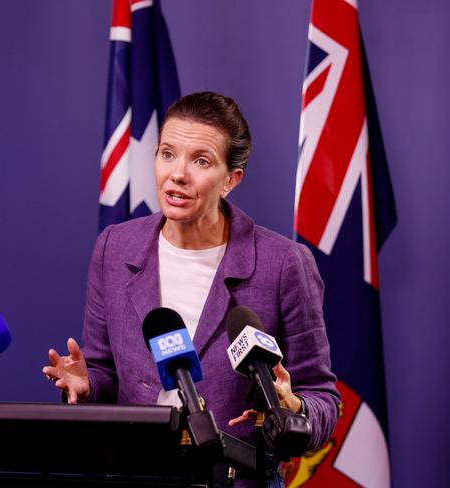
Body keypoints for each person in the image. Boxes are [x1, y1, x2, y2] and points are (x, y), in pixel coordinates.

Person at [43, 92, 339, 484]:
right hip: (134, 475)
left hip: (236, 478)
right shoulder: (114, 248)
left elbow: (322, 397)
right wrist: (86, 384)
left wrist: (293, 406)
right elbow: (105, 372)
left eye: (201, 161)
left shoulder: (282, 265)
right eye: (167, 153)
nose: (177, 173)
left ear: (231, 180)